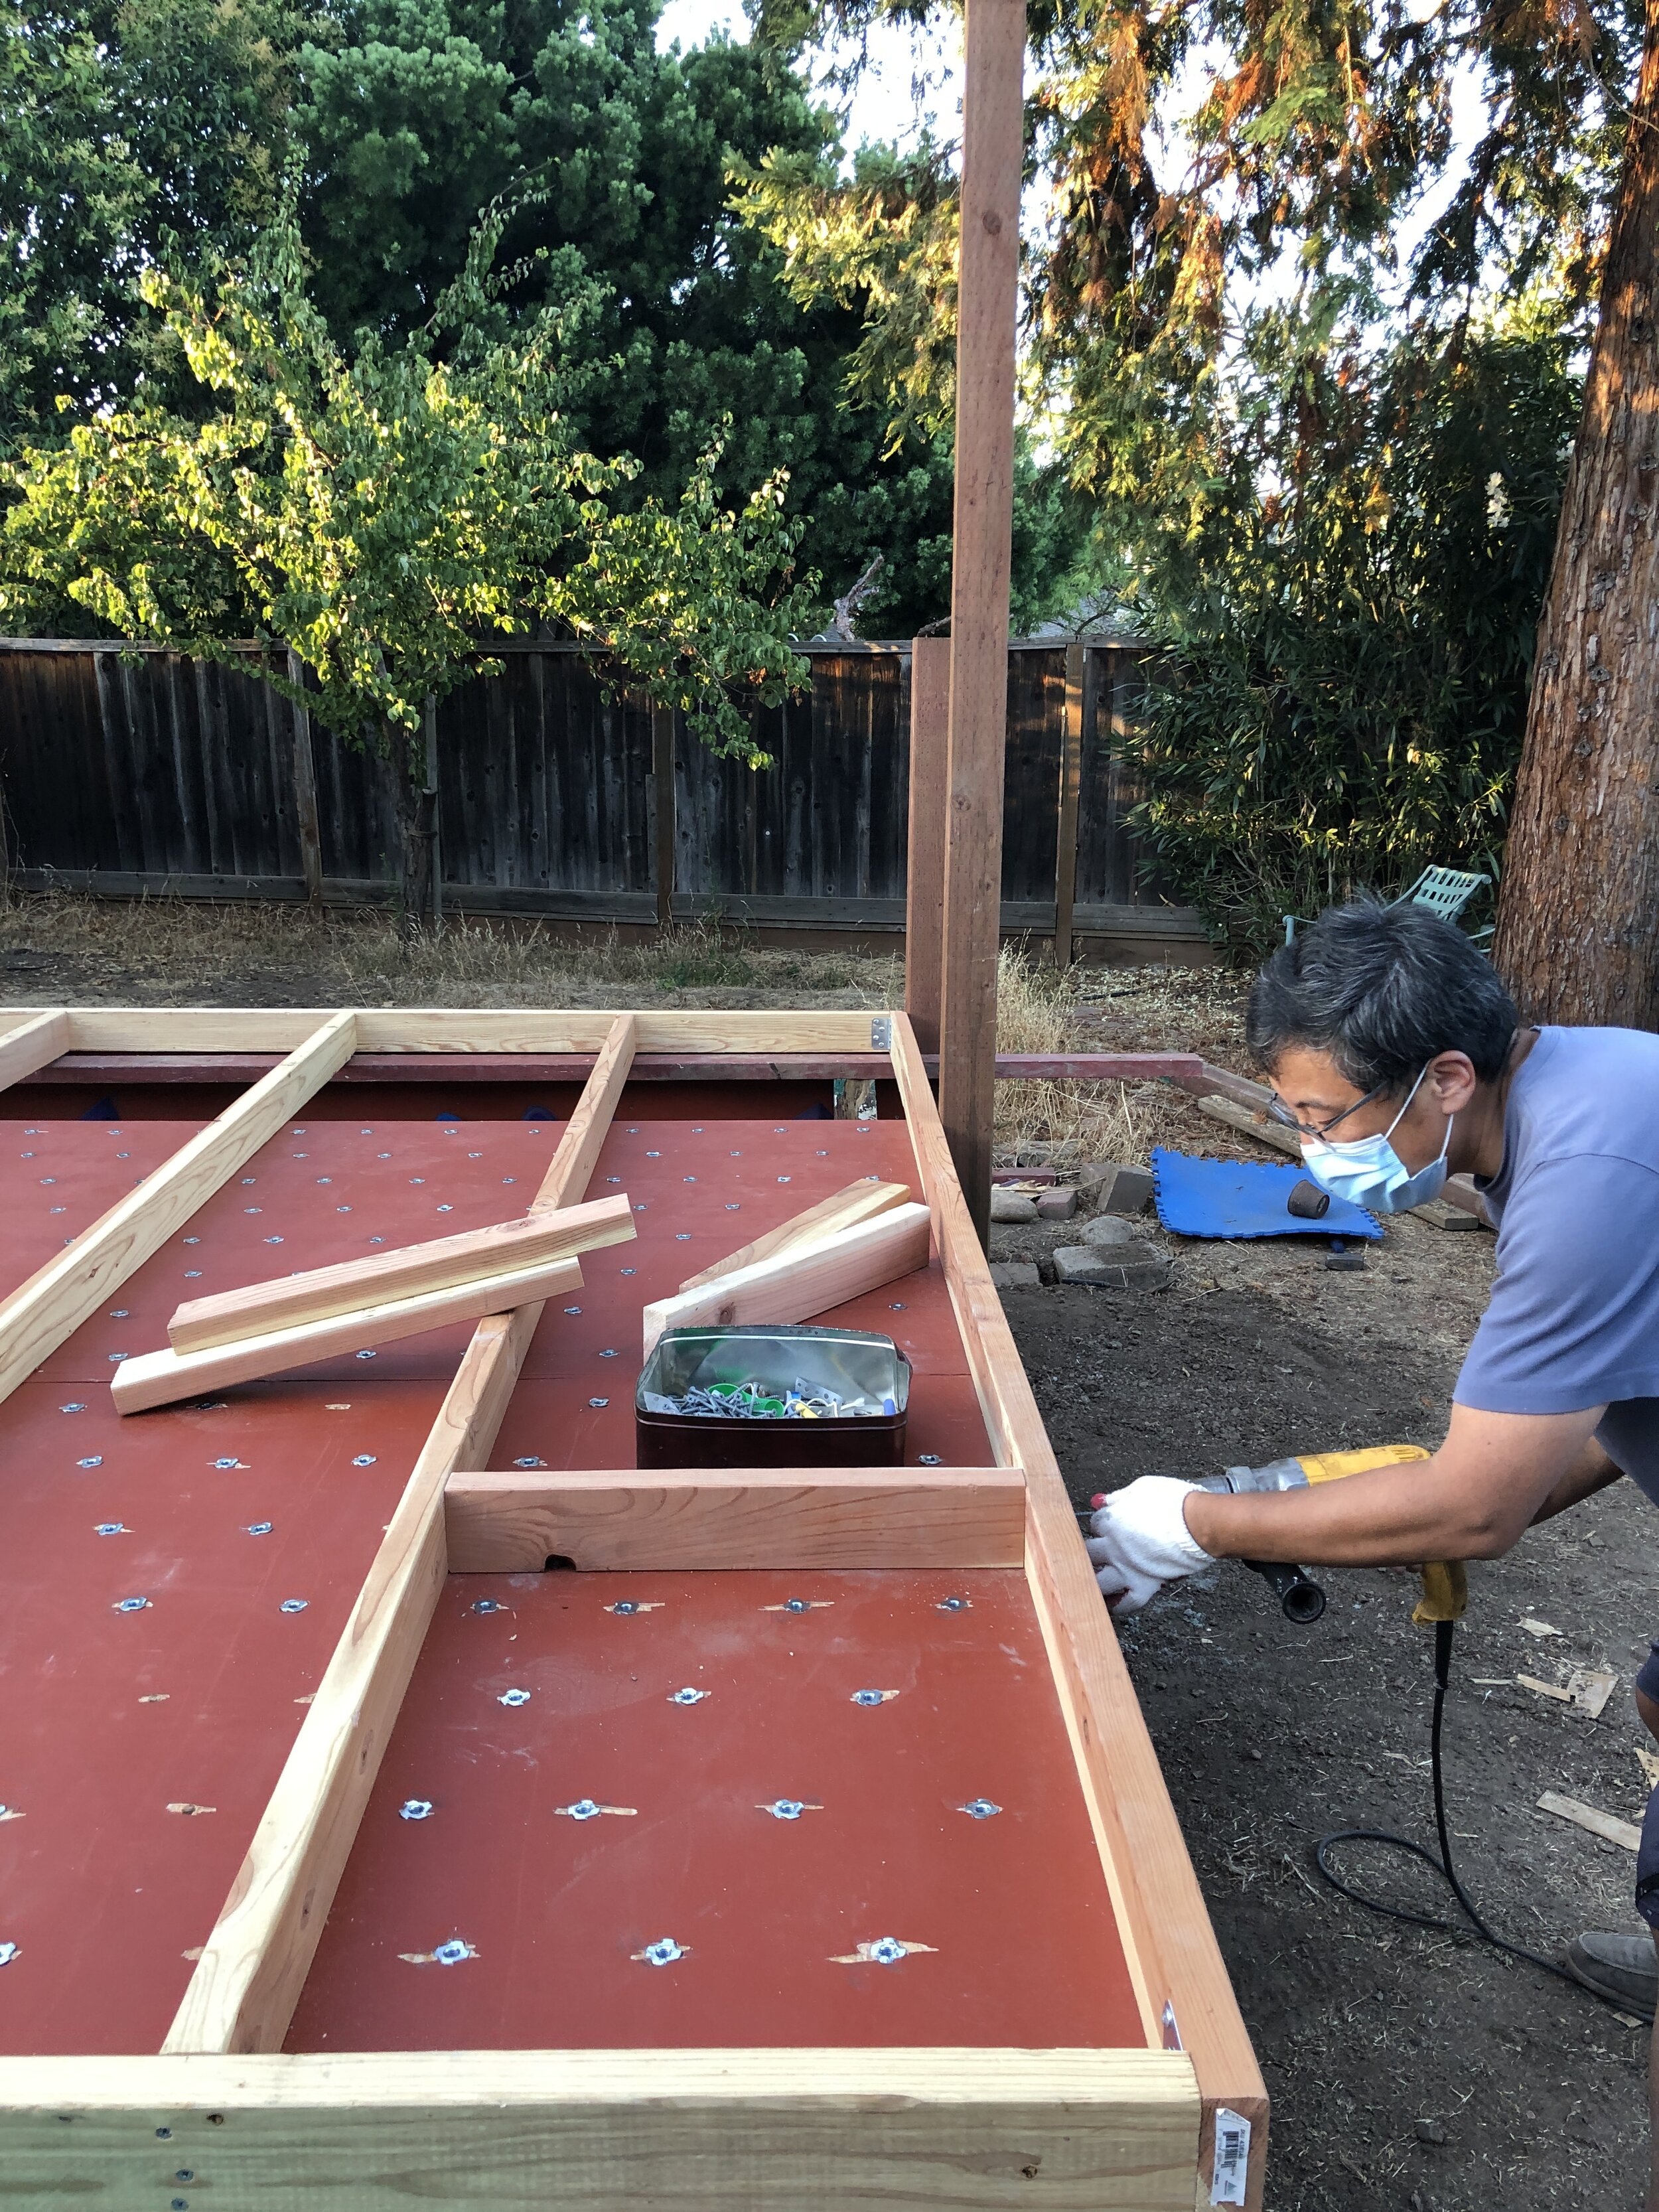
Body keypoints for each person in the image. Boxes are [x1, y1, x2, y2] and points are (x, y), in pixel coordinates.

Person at [1086, 899, 1659, 2198]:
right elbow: (1603, 1407)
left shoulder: (1588, 1178)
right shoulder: (1569, 1092)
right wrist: (1363, 1496)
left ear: (1444, 1076)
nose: (1309, 1151)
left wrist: (1195, 1522)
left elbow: (1474, 1509)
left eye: (1326, 1117)